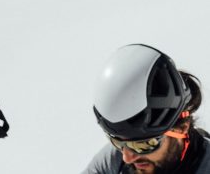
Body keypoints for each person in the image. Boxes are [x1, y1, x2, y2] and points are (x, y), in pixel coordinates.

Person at [84, 44, 209, 174]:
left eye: (143, 145)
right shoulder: (115, 160)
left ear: (182, 127)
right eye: (116, 142)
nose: (127, 158)